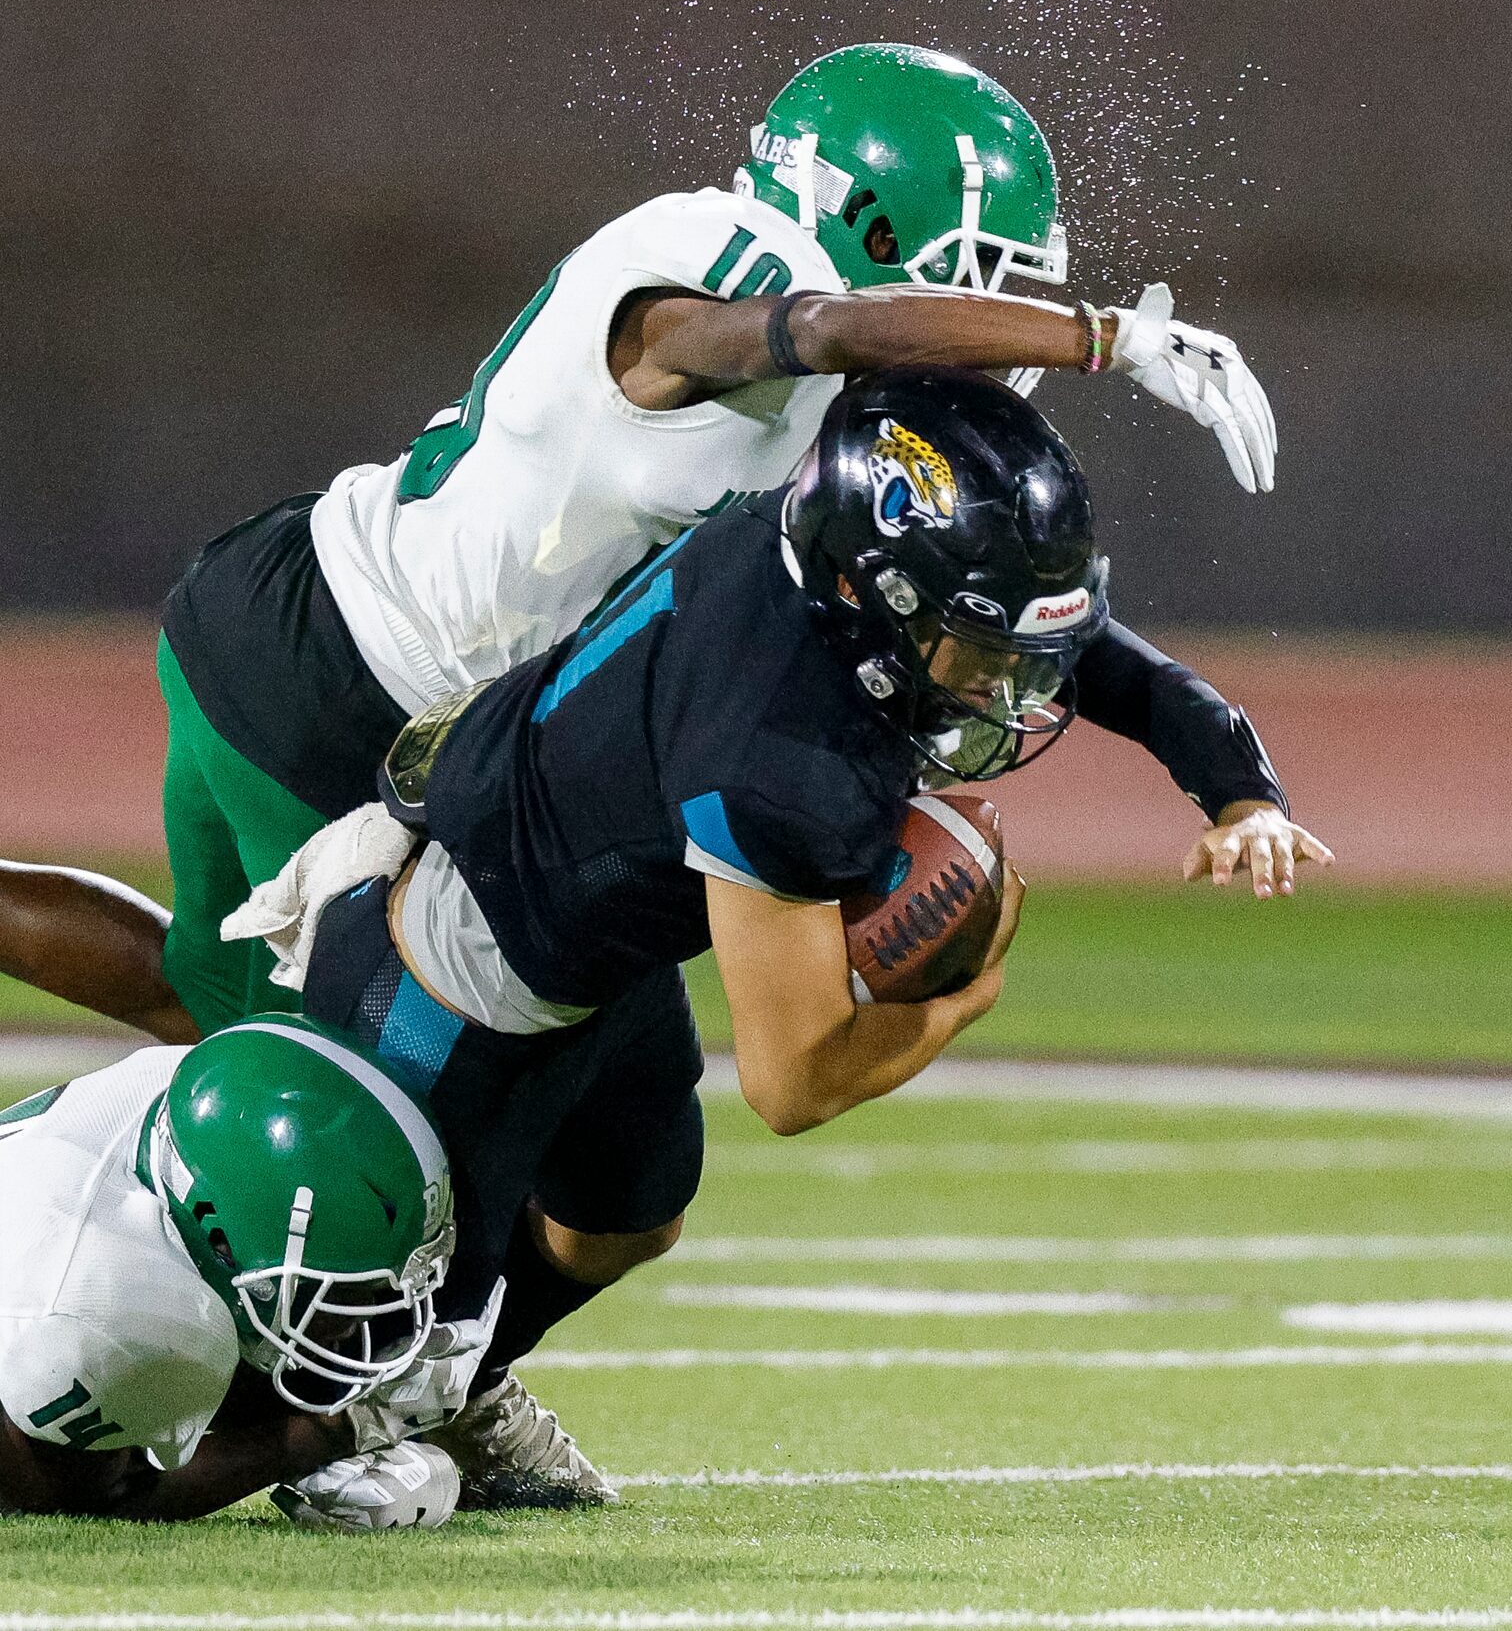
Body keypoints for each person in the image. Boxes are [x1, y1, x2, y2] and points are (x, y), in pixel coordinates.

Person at [214, 369, 1329, 1417]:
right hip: (453, 974)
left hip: (593, 935)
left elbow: (1102, 662)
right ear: (879, 596)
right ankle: (200, 1449)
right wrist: (958, 1003)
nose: (1006, 688)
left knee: (627, 1219)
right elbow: (793, 1083)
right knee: (351, 1366)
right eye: (979, 651)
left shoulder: (817, 553)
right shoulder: (783, 755)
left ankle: (459, 1400)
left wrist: (1240, 791)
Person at [115, 40, 1276, 1039]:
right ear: (869, 220)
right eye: (988, 283)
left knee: (194, 997)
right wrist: (1100, 336)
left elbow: (1042, 627)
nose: (997, 336)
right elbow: (814, 326)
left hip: (318, 624)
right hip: (349, 677)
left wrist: (1232, 783)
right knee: (353, 1097)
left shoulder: (850, 422)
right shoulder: (727, 261)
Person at [0, 1012, 472, 1525]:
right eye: (334, 1291)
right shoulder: (103, 1308)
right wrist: (332, 1431)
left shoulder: (218, 1099)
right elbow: (80, 1498)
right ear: (221, 1239)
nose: (357, 1320)